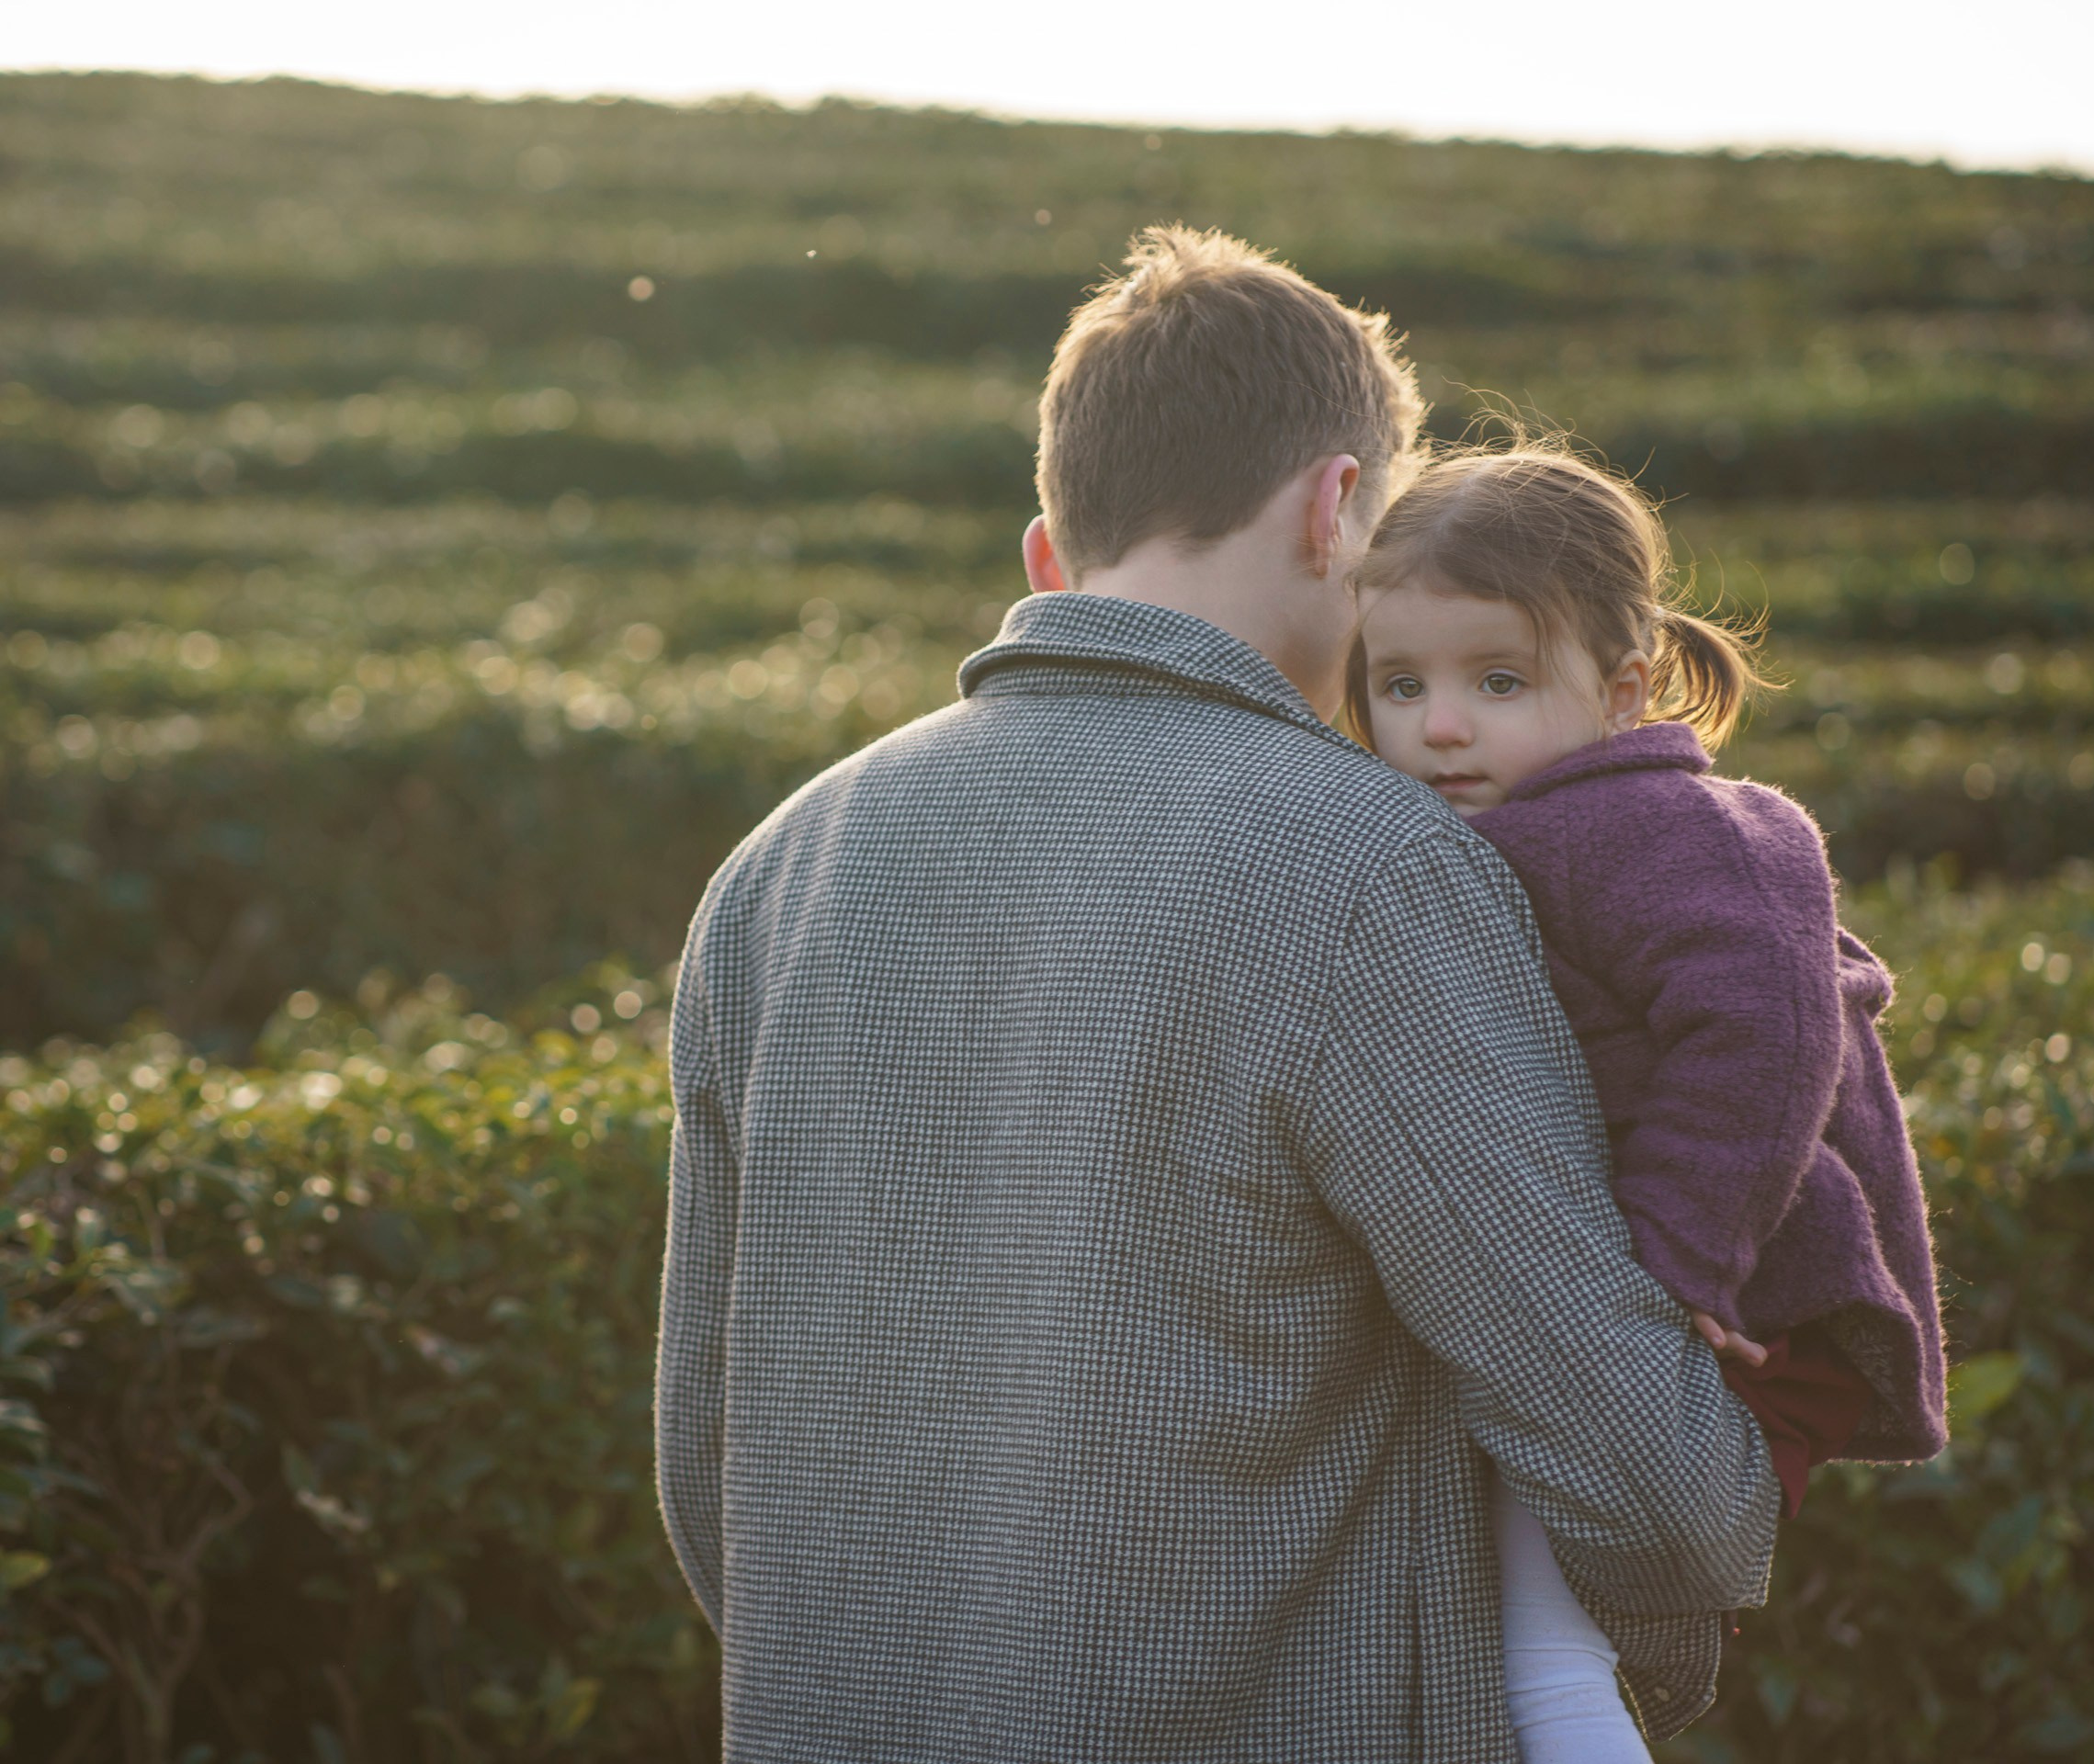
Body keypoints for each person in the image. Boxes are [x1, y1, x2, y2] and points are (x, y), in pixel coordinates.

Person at [656, 228, 1780, 1762]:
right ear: (1337, 509)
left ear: (1051, 552)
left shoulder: (770, 872)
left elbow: (704, 1471)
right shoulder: (1368, 868)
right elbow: (1647, 1482)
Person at [1345, 444, 1949, 1761]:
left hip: (1746, 1306)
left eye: (1495, 682)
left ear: (1620, 690)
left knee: (1546, 1667)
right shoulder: (1477, 831)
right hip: (1658, 1294)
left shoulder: (1681, 829)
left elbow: (1761, 1042)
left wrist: (1672, 1264)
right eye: (1400, 686)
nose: (1439, 725)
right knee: (1518, 1650)